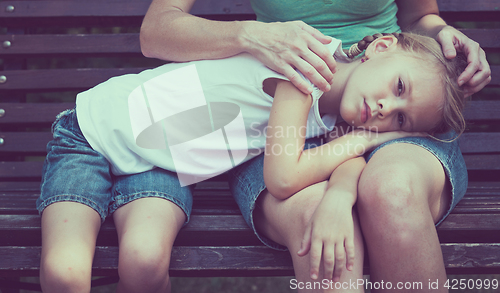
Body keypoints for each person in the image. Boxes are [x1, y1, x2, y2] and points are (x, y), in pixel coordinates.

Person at [140, 0, 491, 292]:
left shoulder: (394, 99)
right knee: (319, 228)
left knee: (393, 192)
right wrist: (252, 35)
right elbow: (157, 31)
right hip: (276, 121)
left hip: (388, 109)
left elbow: (419, 16)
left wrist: (444, 35)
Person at [37, 30, 465, 293]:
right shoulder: (307, 69)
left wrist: (340, 192)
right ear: (382, 47)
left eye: (401, 118)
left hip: (159, 167)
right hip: (90, 136)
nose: (386, 109)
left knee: (143, 263)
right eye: (399, 86)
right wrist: (367, 139)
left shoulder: (335, 110)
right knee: (66, 276)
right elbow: (283, 178)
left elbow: (339, 160)